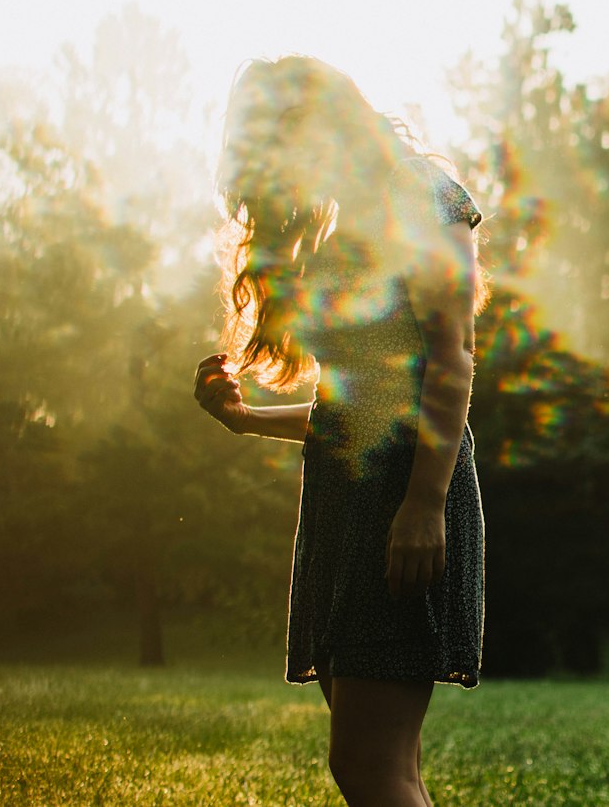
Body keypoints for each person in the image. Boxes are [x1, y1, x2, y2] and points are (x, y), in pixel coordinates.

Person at [193, 56, 486, 807]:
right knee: (384, 765)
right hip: (346, 506)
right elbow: (351, 407)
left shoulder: (420, 195)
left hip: (400, 500)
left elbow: (450, 360)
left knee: (368, 764)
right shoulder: (337, 220)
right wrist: (244, 418)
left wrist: (423, 505)